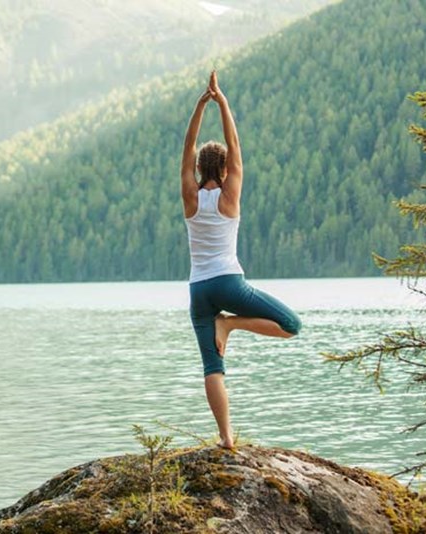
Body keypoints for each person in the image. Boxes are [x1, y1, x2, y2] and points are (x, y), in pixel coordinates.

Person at [181, 71, 302, 449]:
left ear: (200, 170)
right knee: (291, 324)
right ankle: (230, 326)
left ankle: (226, 437)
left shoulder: (190, 196)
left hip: (199, 289)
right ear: (226, 169)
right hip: (229, 283)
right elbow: (234, 144)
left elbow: (187, 149)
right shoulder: (229, 195)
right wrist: (224, 102)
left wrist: (201, 105)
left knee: (212, 368)